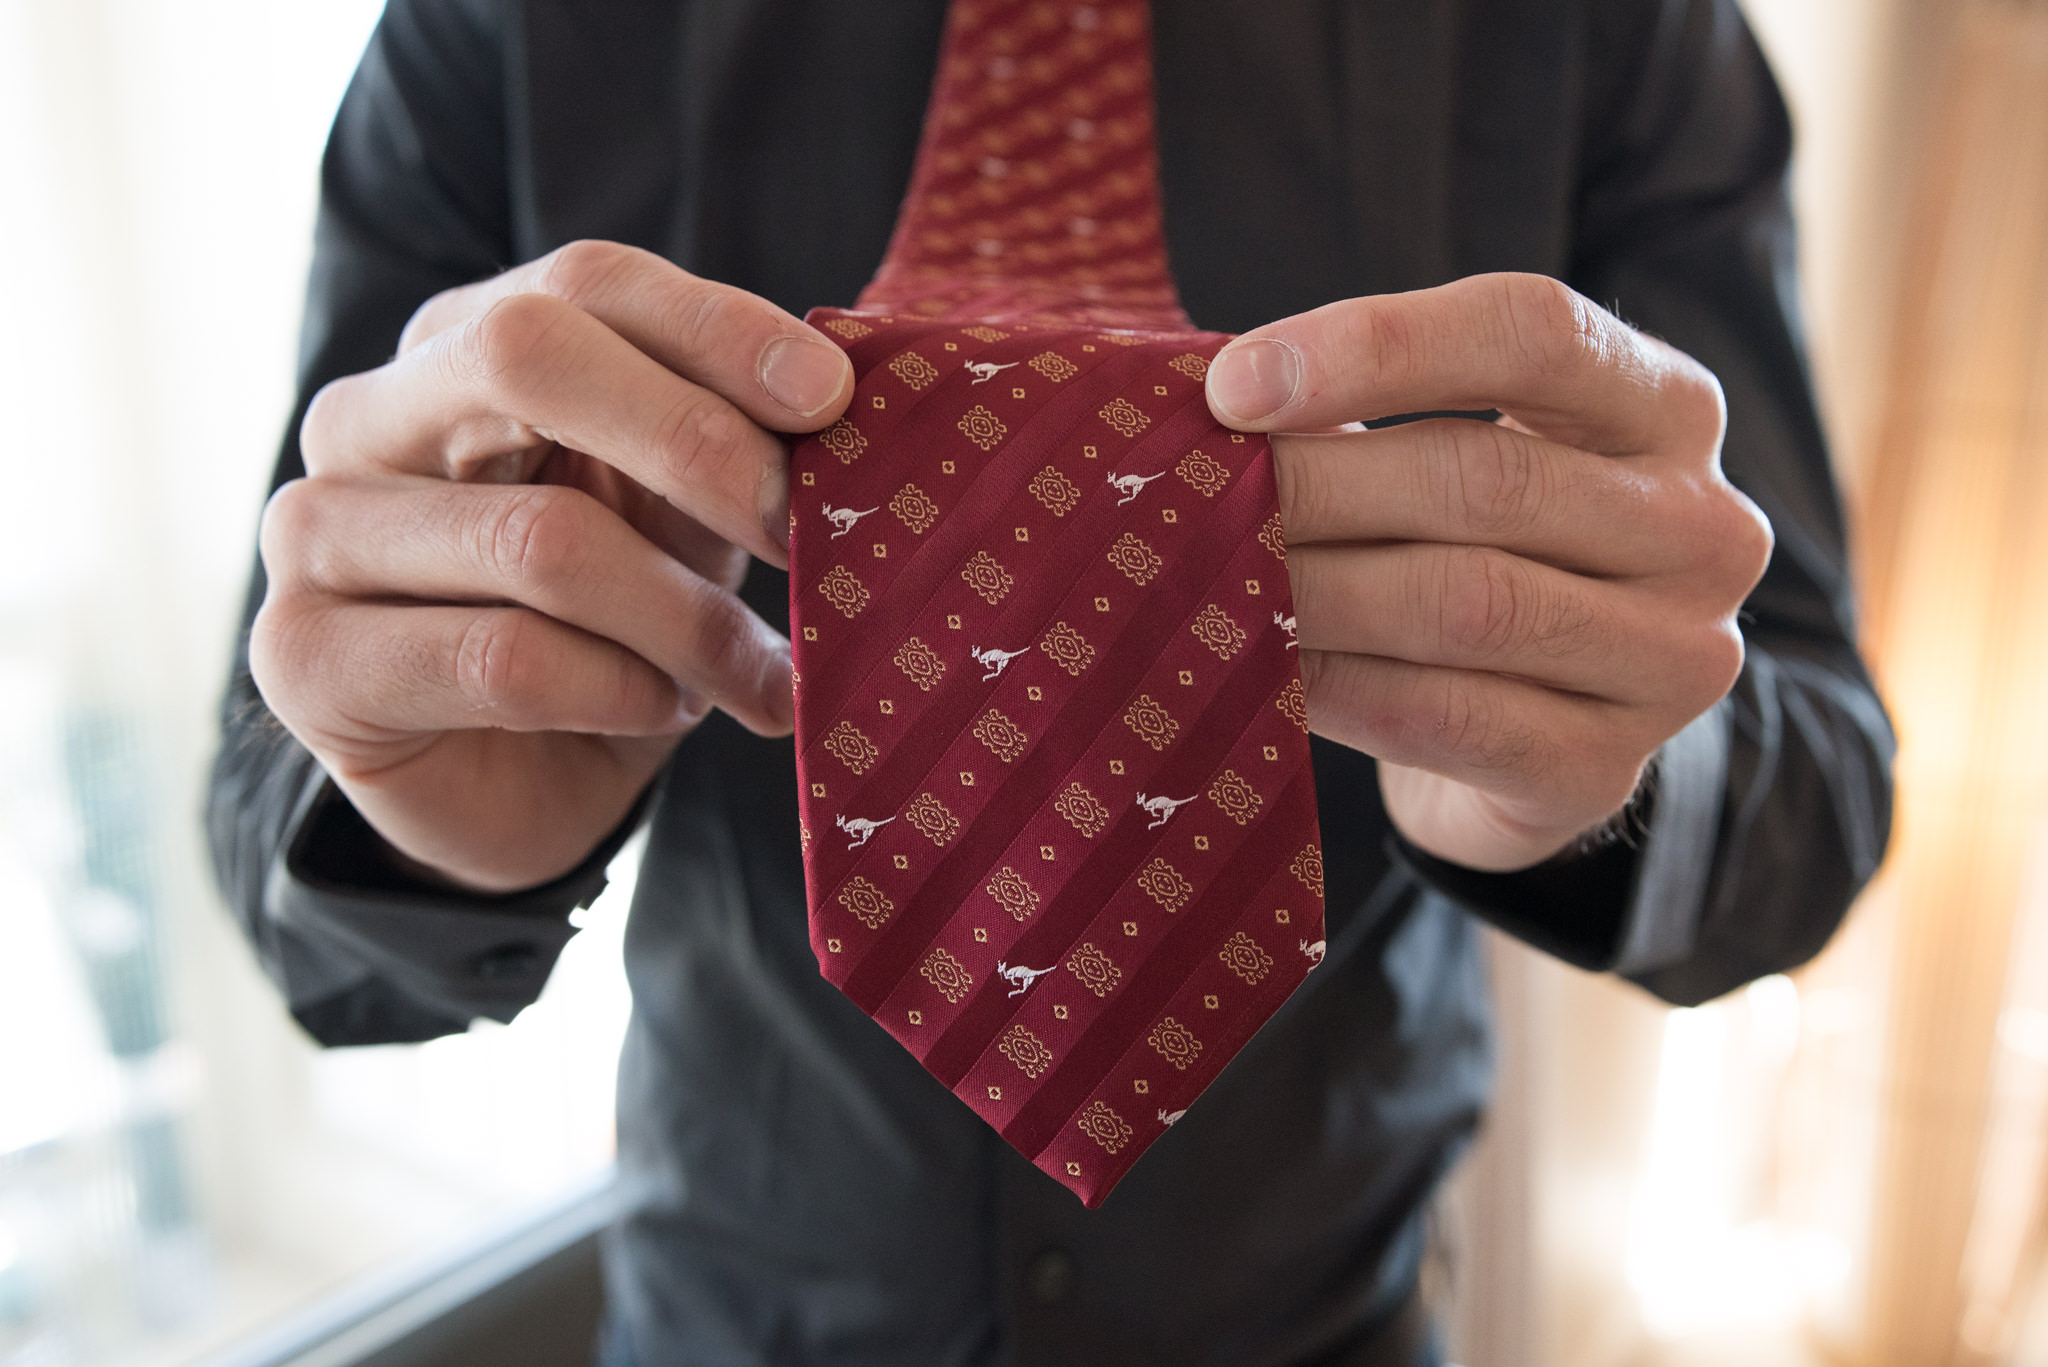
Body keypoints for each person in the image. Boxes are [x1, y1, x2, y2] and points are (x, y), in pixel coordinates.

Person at [208, 0, 1895, 1362]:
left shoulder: (1616, 33)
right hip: (731, 1308)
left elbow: (1820, 779)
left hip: (1330, 1315)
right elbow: (267, 778)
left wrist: (1589, 760)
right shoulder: (496, 26)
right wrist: (431, 821)